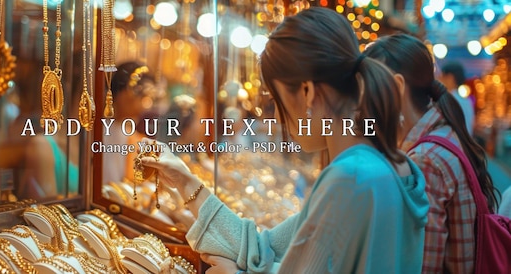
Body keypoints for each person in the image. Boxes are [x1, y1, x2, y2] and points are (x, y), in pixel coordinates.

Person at [141, 7, 429, 273]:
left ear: (307, 93)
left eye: (278, 101)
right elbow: (260, 248)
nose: (279, 118)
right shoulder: (391, 165)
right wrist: (185, 181)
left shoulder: (349, 177)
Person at [364, 33, 499, 273]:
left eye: (369, 89)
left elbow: (422, 267)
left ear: (396, 86)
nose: (364, 103)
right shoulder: (442, 133)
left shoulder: (424, 161)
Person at [102, 61, 158, 184]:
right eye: (140, 94)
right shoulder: (98, 132)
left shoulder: (133, 137)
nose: (146, 103)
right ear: (121, 92)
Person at [438, 61, 475, 136]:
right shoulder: (466, 101)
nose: (439, 79)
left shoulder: (448, 100)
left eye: (442, 76)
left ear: (450, 78)